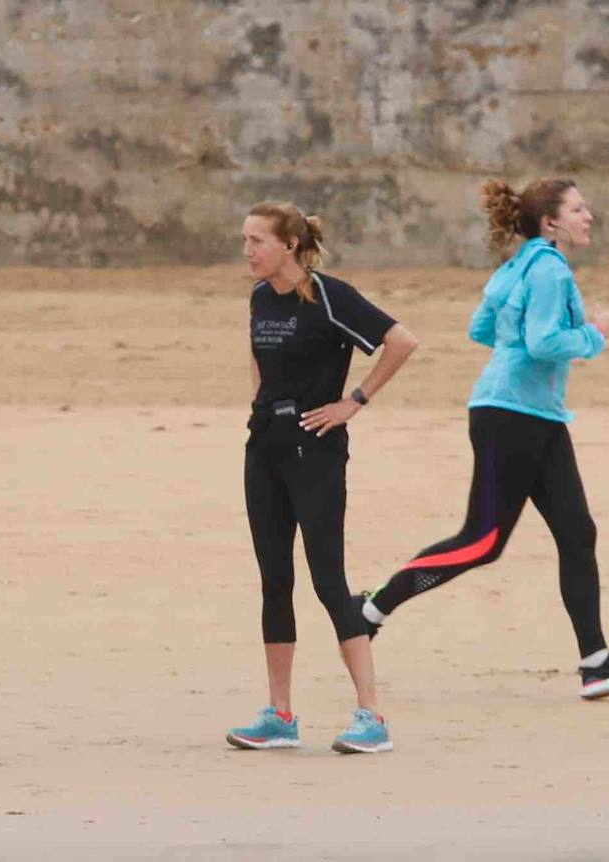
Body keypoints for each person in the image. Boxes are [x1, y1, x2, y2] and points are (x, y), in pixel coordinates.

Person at [358, 179, 609, 700]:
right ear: (551, 223)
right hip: (512, 416)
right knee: (482, 541)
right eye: (578, 208)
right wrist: (595, 333)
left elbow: (482, 329)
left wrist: (527, 338)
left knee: (576, 531)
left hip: (532, 414)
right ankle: (367, 610)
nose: (588, 216)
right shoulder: (548, 268)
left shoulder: (517, 265)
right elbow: (544, 344)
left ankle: (596, 663)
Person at [226, 202, 418, 753]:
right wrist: (262, 405)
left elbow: (402, 341)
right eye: (245, 240)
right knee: (274, 579)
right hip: (264, 448)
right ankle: (280, 715)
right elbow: (259, 356)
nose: (248, 251)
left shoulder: (330, 296)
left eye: (257, 240)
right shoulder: (261, 297)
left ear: (289, 244)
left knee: (327, 579)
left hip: (316, 451)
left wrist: (352, 401)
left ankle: (371, 717)